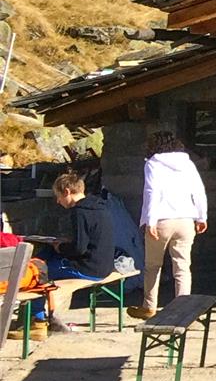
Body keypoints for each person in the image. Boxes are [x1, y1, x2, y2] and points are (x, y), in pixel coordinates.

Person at [132, 129, 207, 319]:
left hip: (162, 220)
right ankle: (183, 309)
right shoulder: (187, 164)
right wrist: (201, 216)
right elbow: (198, 190)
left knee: (153, 266)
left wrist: (150, 220)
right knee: (182, 266)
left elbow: (152, 191)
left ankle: (149, 306)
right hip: (186, 220)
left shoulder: (153, 164)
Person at [42, 170, 118, 333]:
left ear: (67, 192)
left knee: (39, 272)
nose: (58, 201)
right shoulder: (100, 208)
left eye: (59, 196)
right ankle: (45, 317)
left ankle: (38, 320)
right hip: (105, 265)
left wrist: (60, 247)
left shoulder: (79, 212)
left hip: (88, 268)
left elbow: (79, 248)